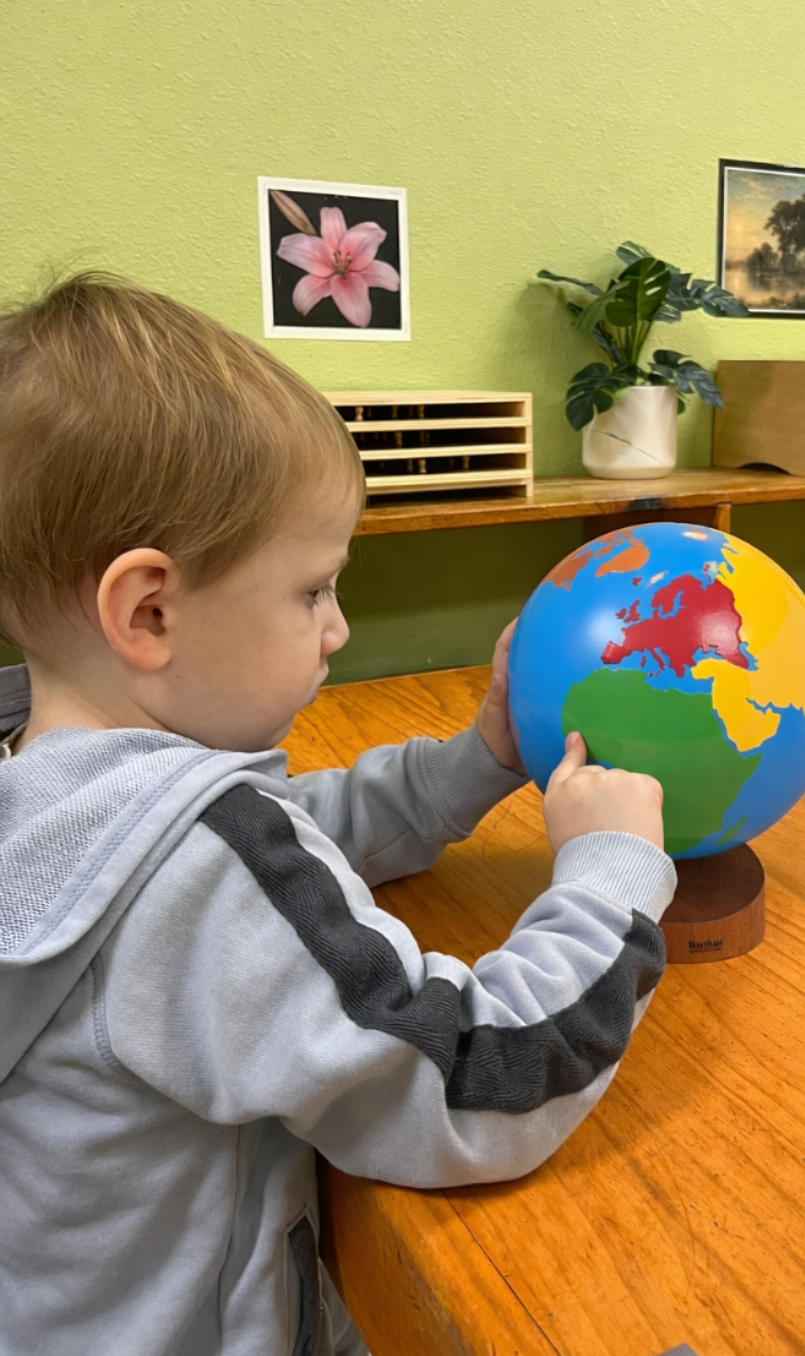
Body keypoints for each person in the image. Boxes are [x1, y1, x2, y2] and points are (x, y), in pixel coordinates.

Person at [0, 274, 674, 1356]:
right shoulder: (203, 874)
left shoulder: (51, 785)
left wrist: (477, 761)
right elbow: (472, 1085)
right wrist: (610, 874)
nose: (338, 628)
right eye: (313, 589)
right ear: (150, 611)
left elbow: (283, 838)